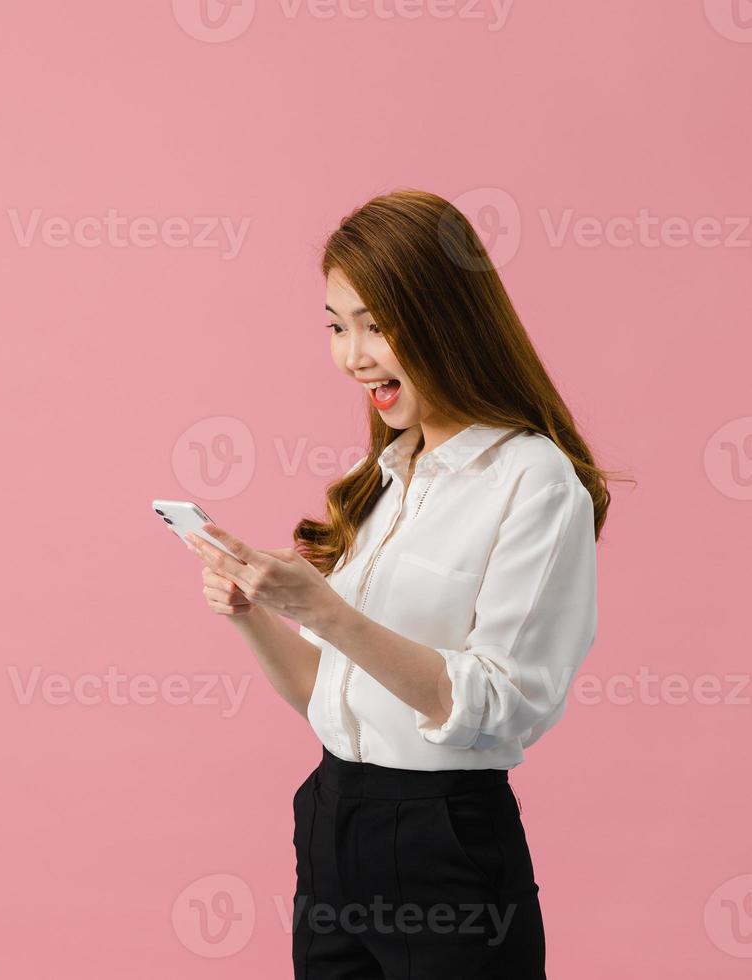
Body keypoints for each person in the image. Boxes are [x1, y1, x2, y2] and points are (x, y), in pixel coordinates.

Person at [185, 189, 627, 978]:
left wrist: (325, 608)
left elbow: (501, 708)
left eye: (376, 325)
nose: (353, 355)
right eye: (335, 325)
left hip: (444, 843)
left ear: (445, 319)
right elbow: (332, 693)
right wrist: (253, 612)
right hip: (331, 821)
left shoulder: (533, 481)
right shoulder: (381, 476)